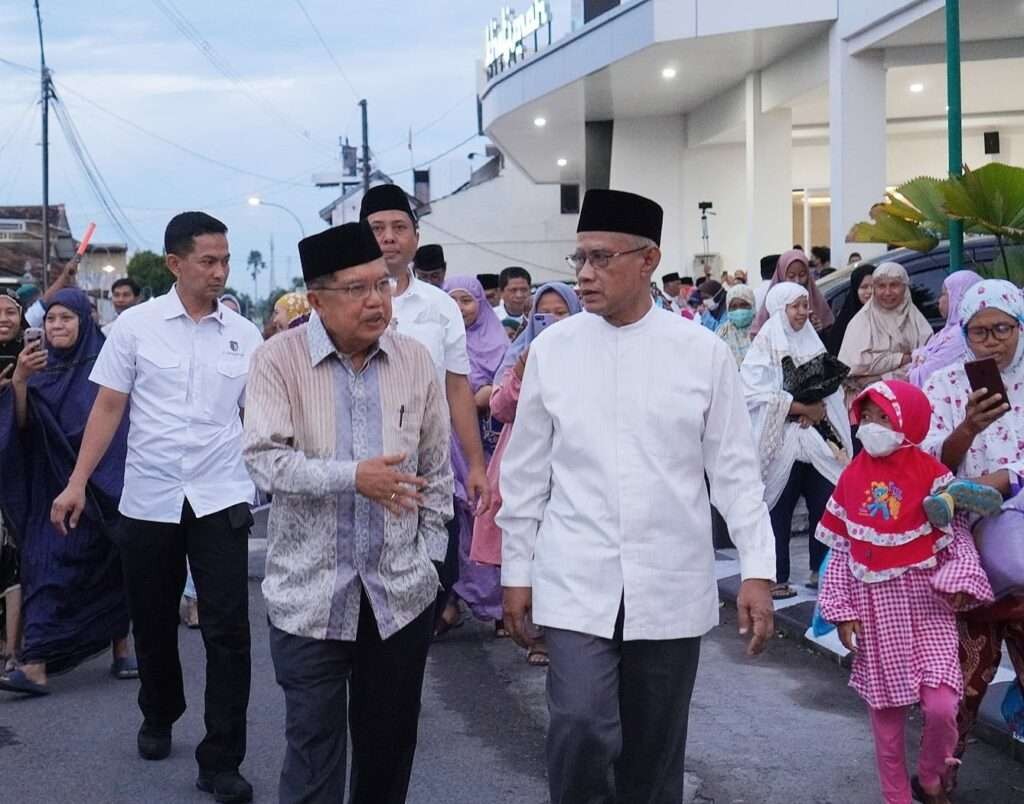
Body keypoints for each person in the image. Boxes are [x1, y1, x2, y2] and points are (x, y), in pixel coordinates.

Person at [499, 189, 776, 803]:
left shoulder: (700, 354)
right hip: (575, 575)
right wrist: (516, 571)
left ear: (648, 260)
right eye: (579, 259)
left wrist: (757, 570)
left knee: (654, 755)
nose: (586, 274)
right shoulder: (553, 351)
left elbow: (734, 470)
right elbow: (525, 475)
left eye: (601, 258)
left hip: (670, 578)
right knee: (580, 725)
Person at [49, 212, 262, 803]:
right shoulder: (135, 328)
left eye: (224, 261)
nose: (219, 272)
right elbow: (109, 409)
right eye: (208, 261)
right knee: (152, 617)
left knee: (229, 630)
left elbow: (262, 418)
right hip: (149, 498)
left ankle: (222, 758)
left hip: (220, 496)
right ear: (175, 263)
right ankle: (159, 709)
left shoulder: (245, 337)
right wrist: (76, 482)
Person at [243, 221, 452, 804]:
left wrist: (430, 562)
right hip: (309, 596)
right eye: (357, 289)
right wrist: (351, 476)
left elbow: (437, 470)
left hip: (399, 595)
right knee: (313, 748)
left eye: (382, 286)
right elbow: (264, 461)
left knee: (388, 751)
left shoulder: (413, 360)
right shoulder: (276, 361)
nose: (376, 301)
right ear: (316, 300)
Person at [817, 379, 994, 804]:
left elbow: (957, 536)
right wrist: (840, 610)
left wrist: (960, 582)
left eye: (885, 417)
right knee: (886, 718)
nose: (873, 426)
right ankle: (895, 796)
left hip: (928, 607)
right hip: (875, 610)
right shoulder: (852, 477)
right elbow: (843, 551)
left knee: (942, 706)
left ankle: (932, 772)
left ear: (907, 421)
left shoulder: (933, 475)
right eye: (869, 416)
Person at [359, 184, 490, 633]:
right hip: (360, 462)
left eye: (399, 227)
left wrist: (475, 465)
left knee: (429, 576)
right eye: (377, 228)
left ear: (415, 237)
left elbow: (458, 391)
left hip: (427, 462)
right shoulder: (339, 304)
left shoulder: (441, 308)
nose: (388, 237)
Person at [0, 288, 135, 696]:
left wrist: (96, 480)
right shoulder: (37, 368)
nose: (57, 326)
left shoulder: (106, 367)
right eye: (52, 319)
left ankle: (122, 650)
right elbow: (21, 426)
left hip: (102, 488)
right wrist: (21, 381)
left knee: (111, 571)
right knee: (45, 566)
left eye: (67, 319)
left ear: (85, 322)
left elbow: (121, 427)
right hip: (50, 488)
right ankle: (36, 663)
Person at [921, 279, 1024, 792]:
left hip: (1023, 559)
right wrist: (967, 429)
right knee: (960, 686)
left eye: (1002, 329)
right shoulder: (943, 385)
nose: (992, 341)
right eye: (979, 331)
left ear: (1020, 326)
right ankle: (939, 780)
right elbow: (926, 463)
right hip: (965, 561)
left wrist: (1005, 480)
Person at [472, 281, 581, 664]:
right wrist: (522, 371)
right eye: (543, 314)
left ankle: (565, 629)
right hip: (529, 457)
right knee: (530, 539)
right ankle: (538, 634)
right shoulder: (519, 353)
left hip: (574, 463)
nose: (552, 321)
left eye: (561, 313)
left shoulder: (591, 353)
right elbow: (500, 408)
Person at [741, 282, 852, 598]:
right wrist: (797, 406)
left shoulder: (813, 344)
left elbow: (832, 390)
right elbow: (752, 394)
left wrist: (817, 410)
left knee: (826, 503)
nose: (803, 312)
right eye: (796, 306)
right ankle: (776, 576)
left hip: (816, 440)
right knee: (777, 507)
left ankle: (825, 571)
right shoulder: (763, 349)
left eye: (806, 306)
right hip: (780, 442)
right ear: (779, 309)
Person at [443, 276, 507, 627]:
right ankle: (451, 602)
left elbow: (502, 386)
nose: (459, 309)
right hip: (446, 441)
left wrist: (477, 397)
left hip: (485, 442)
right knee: (454, 519)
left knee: (487, 516)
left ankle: (500, 605)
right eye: (451, 301)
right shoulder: (439, 338)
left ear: (481, 302)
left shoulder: (497, 341)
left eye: (466, 300)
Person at [839, 262, 932, 405]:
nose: (887, 292)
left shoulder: (916, 322)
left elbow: (927, 364)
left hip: (908, 400)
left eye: (894, 285)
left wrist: (878, 377)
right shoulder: (862, 322)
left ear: (905, 288)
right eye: (881, 286)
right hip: (867, 405)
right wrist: (903, 358)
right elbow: (853, 366)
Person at [908, 270, 982, 388]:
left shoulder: (961, 335)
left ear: (958, 296)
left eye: (944, 294)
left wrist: (917, 361)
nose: (939, 300)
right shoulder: (948, 331)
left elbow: (924, 375)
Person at [752, 249, 834, 335]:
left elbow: (829, 334)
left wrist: (819, 330)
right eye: (791, 276)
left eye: (802, 275)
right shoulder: (772, 305)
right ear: (782, 276)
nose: (797, 281)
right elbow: (759, 335)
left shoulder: (817, 302)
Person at [825, 263, 875, 356]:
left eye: (874, 286)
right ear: (855, 290)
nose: (870, 291)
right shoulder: (845, 321)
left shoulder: (887, 317)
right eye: (864, 287)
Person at [717, 283, 756, 367]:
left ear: (752, 305)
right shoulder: (721, 334)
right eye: (733, 307)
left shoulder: (762, 330)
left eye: (743, 305)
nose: (739, 310)